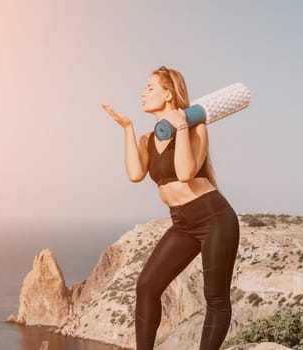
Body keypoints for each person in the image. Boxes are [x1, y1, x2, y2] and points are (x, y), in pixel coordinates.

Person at [101, 66, 240, 350]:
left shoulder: (196, 127)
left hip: (215, 219)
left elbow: (186, 172)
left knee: (215, 298)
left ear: (168, 94)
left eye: (149, 87)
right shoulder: (148, 139)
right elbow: (135, 174)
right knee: (147, 286)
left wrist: (180, 126)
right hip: (182, 224)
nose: (142, 93)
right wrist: (127, 128)